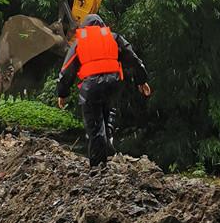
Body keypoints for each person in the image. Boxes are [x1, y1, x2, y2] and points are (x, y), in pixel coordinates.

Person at [56, 14, 151, 166]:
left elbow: (67, 69)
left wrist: (62, 93)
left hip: (92, 86)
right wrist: (142, 80)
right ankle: (108, 143)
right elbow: (132, 58)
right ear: (102, 25)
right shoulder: (113, 37)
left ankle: (98, 167)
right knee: (108, 112)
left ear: (84, 27)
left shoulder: (80, 41)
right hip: (113, 84)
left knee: (94, 126)